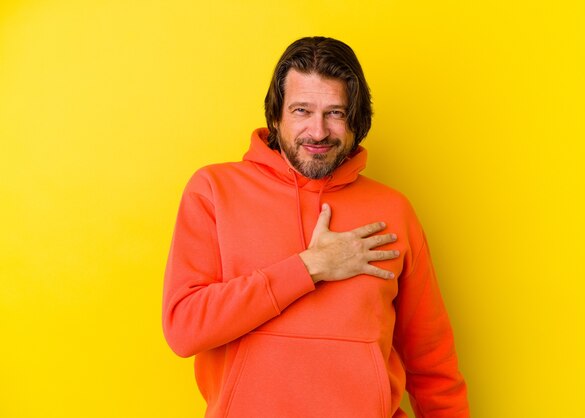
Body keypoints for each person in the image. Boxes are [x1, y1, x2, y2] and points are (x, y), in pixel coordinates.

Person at [162, 36, 469, 417]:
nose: (319, 132)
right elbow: (184, 328)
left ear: (356, 120)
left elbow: (433, 364)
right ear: (276, 116)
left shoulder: (393, 210)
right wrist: (310, 267)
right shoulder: (214, 191)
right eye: (302, 110)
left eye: (335, 113)